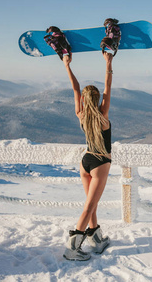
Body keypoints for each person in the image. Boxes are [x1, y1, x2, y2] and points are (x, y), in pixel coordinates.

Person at [62, 52, 114, 261]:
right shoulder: (103, 117)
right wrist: (108, 62)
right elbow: (108, 88)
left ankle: (97, 238)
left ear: (84, 100)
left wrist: (67, 65)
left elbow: (75, 88)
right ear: (98, 98)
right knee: (89, 206)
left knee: (91, 204)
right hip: (100, 163)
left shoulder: (81, 115)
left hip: (86, 162)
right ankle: (71, 250)